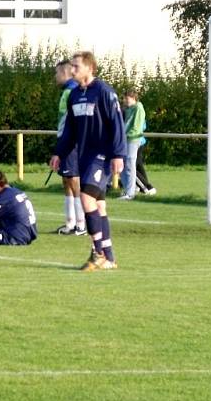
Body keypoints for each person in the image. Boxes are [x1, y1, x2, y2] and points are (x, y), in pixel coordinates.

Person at [50, 51, 126, 271]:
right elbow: (70, 131)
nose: (72, 70)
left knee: (86, 199)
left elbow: (117, 124)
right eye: (71, 66)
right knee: (99, 206)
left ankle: (98, 252)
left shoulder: (104, 92)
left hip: (101, 156)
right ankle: (109, 258)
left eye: (76, 66)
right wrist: (59, 153)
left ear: (89, 69)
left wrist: (119, 154)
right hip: (84, 157)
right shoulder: (75, 96)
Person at [54, 59, 86, 235]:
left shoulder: (72, 90)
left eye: (57, 73)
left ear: (66, 73)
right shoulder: (67, 91)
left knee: (74, 179)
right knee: (66, 180)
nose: (55, 76)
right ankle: (70, 222)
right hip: (64, 140)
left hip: (71, 141)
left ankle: (81, 224)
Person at [118, 88, 146, 200]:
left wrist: (126, 135)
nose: (125, 100)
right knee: (122, 165)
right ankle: (128, 189)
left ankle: (131, 192)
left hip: (133, 139)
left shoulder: (138, 108)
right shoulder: (128, 108)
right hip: (125, 139)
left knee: (130, 164)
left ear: (133, 97)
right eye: (124, 98)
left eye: (126, 98)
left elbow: (136, 127)